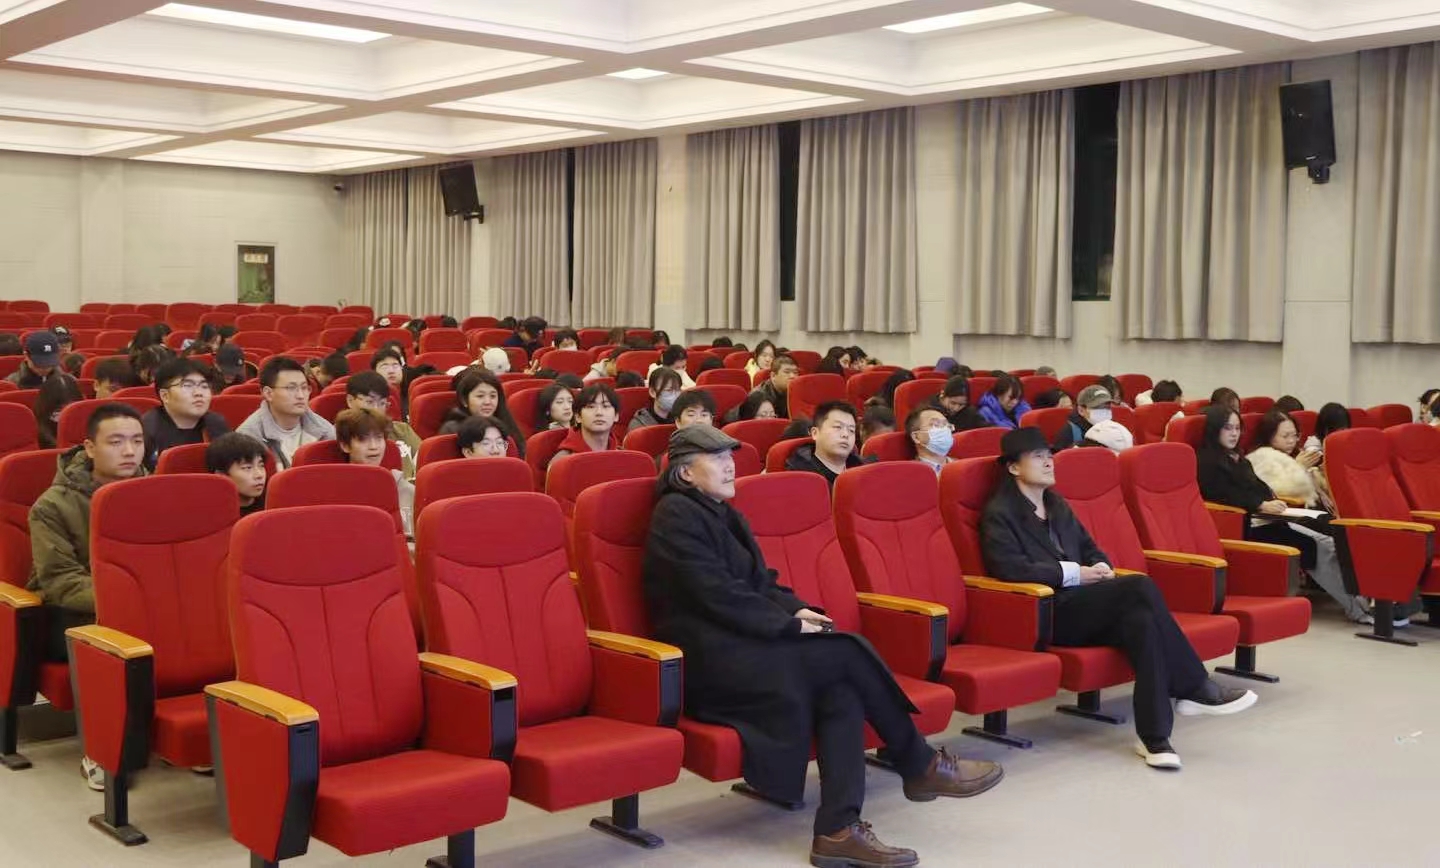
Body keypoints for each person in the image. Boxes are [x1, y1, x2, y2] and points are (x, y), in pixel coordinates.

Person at [644, 425, 1002, 867]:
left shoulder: (721, 512)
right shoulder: (675, 515)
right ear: (684, 473)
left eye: (729, 456)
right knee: (845, 651)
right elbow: (716, 595)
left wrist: (796, 609)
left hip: (746, 648)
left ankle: (837, 829)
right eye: (716, 458)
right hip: (713, 664)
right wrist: (789, 626)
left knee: (841, 690)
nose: (730, 465)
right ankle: (918, 763)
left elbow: (761, 583)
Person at [980, 427, 1256, 771]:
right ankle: (1193, 685)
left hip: (1087, 602)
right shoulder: (1000, 512)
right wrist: (1075, 574)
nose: (1049, 462)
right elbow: (1010, 568)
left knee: (1143, 623)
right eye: (1037, 456)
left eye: (1050, 455)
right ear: (1013, 467)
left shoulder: (1056, 504)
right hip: (1048, 610)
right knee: (1139, 586)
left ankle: (1154, 739)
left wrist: (1100, 566)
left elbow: (1090, 547)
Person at [27, 402, 148, 791]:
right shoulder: (52, 506)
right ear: (90, 448)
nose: (129, 451)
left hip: (145, 607)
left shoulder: (156, 494)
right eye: (116, 442)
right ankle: (102, 746)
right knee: (107, 638)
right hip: (70, 613)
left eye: (137, 441)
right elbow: (60, 581)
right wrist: (128, 603)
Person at [1199, 406, 1367, 624]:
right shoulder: (1207, 461)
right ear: (1215, 429)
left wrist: (1269, 500)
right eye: (1227, 428)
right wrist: (1260, 504)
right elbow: (1222, 494)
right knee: (1316, 548)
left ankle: (1364, 599)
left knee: (1330, 542)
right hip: (1244, 526)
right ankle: (1358, 609)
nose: (1234, 433)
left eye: (1237, 428)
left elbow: (1259, 486)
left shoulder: (1237, 458)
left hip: (1266, 519)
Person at [236, 357, 335, 470]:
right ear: (268, 394)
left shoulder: (324, 430)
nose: (301, 395)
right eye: (291, 388)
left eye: (304, 388)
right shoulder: (248, 438)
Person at [336, 408, 415, 536]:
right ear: (345, 445)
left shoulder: (403, 488)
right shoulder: (336, 491)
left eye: (379, 438)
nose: (373, 446)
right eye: (363, 439)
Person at [142, 358, 230, 470]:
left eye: (204, 386)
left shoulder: (217, 424)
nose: (198, 393)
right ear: (165, 396)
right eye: (187, 386)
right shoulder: (146, 430)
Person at [346, 371, 421, 480]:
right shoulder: (342, 433)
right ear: (350, 401)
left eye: (382, 403)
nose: (376, 410)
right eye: (370, 402)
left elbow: (423, 462)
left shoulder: (402, 430)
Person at [785, 401, 872, 489]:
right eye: (838, 427)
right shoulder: (799, 475)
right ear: (815, 433)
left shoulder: (865, 470)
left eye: (851, 430)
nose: (845, 434)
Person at [438, 368, 523, 456]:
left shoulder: (505, 421)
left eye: (493, 396)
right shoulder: (451, 429)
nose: (488, 402)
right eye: (480, 396)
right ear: (464, 400)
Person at [551, 383, 622, 465]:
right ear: (578, 417)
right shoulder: (562, 462)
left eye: (605, 406)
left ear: (616, 416)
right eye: (591, 407)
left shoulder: (623, 456)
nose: (599, 412)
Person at [206, 432, 268, 517]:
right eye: (247, 468)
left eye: (261, 465)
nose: (259, 475)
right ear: (221, 475)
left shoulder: (272, 502)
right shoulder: (214, 516)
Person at [1052, 385, 1114, 451]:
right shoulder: (1069, 432)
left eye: (1107, 407)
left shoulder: (1114, 428)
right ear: (1081, 410)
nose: (1104, 411)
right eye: (1097, 407)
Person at [34, 374, 83, 449]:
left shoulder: (88, 425)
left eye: (70, 408)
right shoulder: (36, 431)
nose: (64, 414)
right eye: (58, 410)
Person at [629, 368, 682, 432]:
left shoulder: (682, 419)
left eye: (678, 390)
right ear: (652, 392)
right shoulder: (639, 425)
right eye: (669, 390)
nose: (675, 395)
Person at [906, 406, 953, 474]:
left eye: (945, 424)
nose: (944, 429)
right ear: (916, 437)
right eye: (935, 424)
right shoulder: (908, 472)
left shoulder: (963, 466)